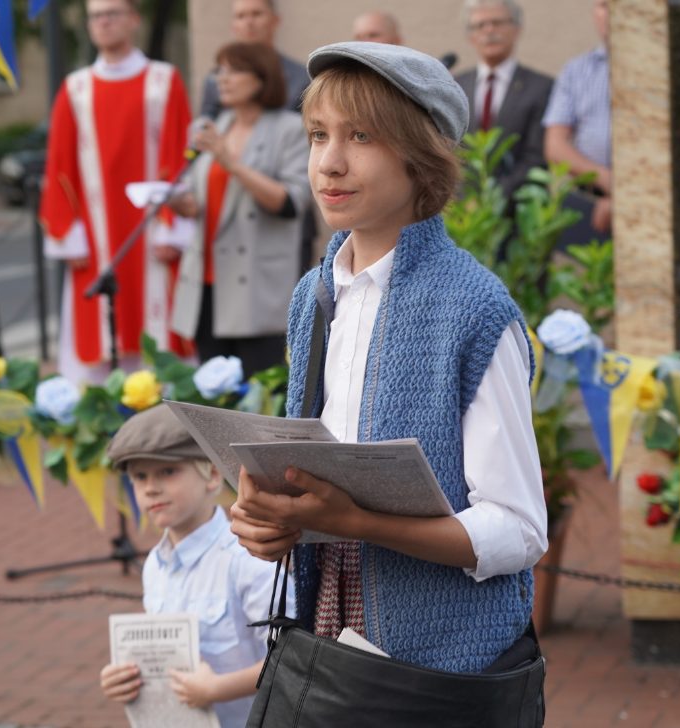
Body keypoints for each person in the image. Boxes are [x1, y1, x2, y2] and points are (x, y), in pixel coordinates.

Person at [229, 41, 547, 677]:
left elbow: (518, 531)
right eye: (318, 136)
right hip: (328, 643)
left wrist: (357, 521)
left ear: (420, 155)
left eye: (362, 136)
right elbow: (314, 475)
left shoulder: (473, 307)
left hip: (445, 669)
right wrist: (269, 519)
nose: (331, 163)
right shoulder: (314, 294)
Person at [100, 404, 285, 728]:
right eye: (139, 477)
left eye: (167, 472)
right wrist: (125, 676)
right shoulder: (154, 567)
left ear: (212, 475)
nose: (150, 487)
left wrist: (217, 689)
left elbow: (288, 659)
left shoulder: (247, 560)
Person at [40, 0, 193, 382]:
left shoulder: (163, 81)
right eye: (95, 16)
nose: (103, 22)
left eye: (112, 13)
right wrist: (67, 233)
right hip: (95, 240)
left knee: (157, 345)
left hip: (151, 236)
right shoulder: (75, 89)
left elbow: (180, 156)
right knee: (97, 343)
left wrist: (173, 227)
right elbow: (59, 165)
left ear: (134, 19)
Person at [168, 42, 310, 377]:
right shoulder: (213, 126)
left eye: (234, 70)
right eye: (219, 70)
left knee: (258, 399)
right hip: (205, 282)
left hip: (255, 287)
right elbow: (208, 199)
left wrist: (230, 162)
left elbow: (291, 203)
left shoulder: (289, 129)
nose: (222, 78)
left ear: (261, 78)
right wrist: (185, 204)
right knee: (213, 401)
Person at [454, 0, 552, 199]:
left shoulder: (542, 87)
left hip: (519, 209)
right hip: (463, 212)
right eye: (480, 25)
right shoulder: (455, 86)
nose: (489, 31)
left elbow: (536, 156)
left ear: (517, 29)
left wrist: (495, 199)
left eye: (497, 23)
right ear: (470, 37)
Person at [543, 0, 612, 240]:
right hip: (589, 201)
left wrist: (627, 195)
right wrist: (608, 181)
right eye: (604, 5)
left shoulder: (664, 64)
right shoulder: (576, 70)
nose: (611, 12)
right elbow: (555, 147)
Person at [198, 0, 308, 120]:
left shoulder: (301, 79)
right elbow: (205, 125)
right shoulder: (215, 80)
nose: (249, 23)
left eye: (256, 14)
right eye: (241, 16)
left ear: (275, 20)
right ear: (233, 26)